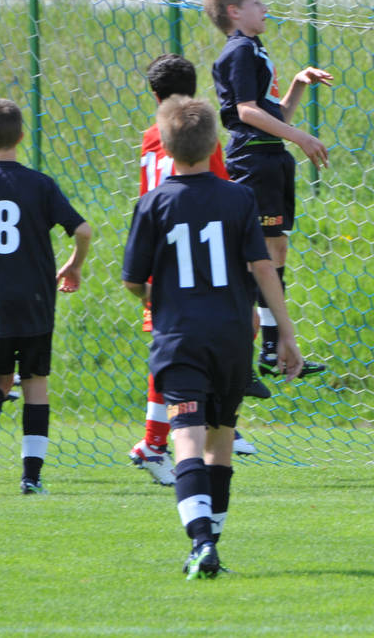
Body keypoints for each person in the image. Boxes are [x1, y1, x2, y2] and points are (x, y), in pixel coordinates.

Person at [122, 95, 304, 578]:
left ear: (165, 147)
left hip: (179, 337)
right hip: (231, 338)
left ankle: (201, 541)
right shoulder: (239, 198)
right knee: (220, 439)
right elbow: (263, 268)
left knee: (186, 436)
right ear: (214, 145)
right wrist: (285, 333)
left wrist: (153, 296)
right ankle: (210, 545)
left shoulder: (153, 203)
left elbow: (133, 279)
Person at [0, 99, 91, 495]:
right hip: (35, 298)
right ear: (22, 136)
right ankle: (31, 478)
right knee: (35, 383)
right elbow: (83, 230)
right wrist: (74, 265)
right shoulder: (41, 184)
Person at [128, 54, 260, 488]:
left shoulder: (153, 136)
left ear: (154, 95)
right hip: (200, 252)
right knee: (197, 341)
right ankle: (168, 437)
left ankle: (184, 428)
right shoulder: (199, 140)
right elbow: (216, 188)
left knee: (171, 348)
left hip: (161, 250)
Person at [199, 0, 331, 379]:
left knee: (275, 251)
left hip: (270, 158)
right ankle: (249, 349)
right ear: (235, 11)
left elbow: (274, 116)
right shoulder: (240, 51)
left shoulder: (255, 50)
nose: (265, 8)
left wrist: (296, 85)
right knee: (255, 256)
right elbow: (246, 112)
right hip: (254, 162)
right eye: (257, 2)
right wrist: (301, 137)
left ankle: (271, 349)